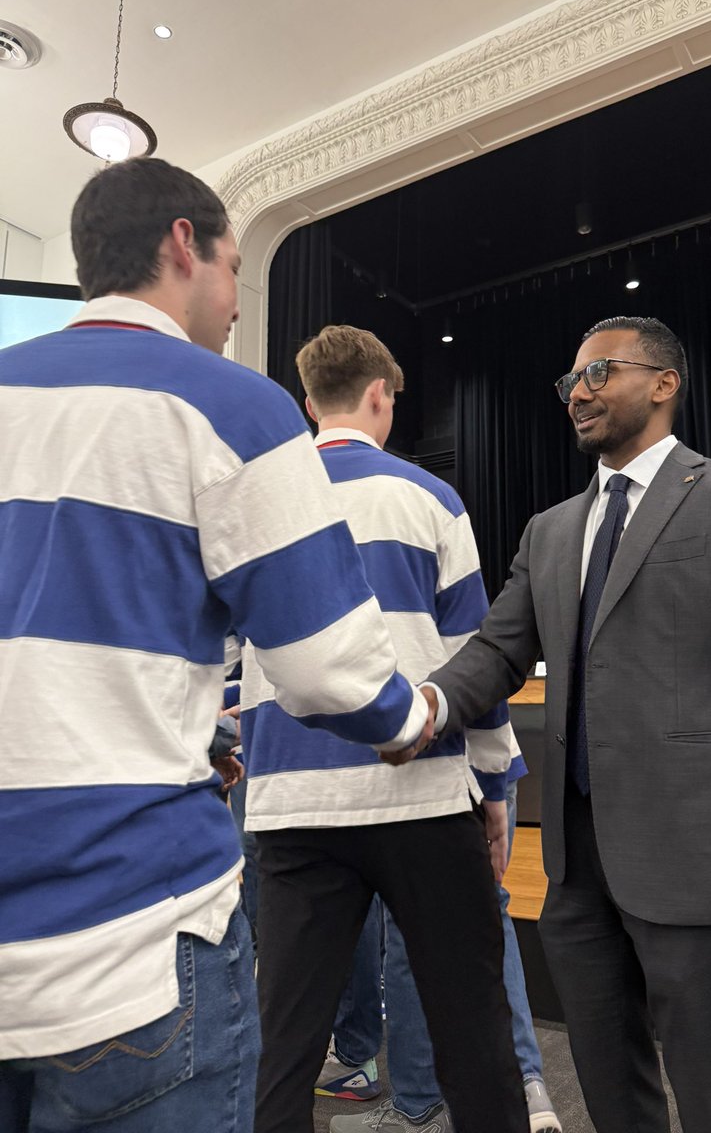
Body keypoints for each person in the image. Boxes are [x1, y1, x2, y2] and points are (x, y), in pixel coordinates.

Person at [0, 160, 431, 1133]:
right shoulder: (234, 406)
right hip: (130, 951)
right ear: (183, 246)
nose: (238, 303)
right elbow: (332, 670)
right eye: (237, 267)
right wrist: (419, 714)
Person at [419, 316, 711, 1133]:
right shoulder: (550, 531)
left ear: (665, 383)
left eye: (599, 375)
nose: (578, 394)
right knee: (611, 1092)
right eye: (570, 384)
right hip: (577, 871)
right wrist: (424, 705)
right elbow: (494, 652)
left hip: (702, 865)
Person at [240, 324, 530, 1133]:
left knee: (286, 1044)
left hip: (292, 805)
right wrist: (497, 786)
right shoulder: (430, 498)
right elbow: (476, 659)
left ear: (308, 403)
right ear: (380, 397)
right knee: (474, 1030)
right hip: (423, 796)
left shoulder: (260, 502)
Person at [322, 769, 562, 1133]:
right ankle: (526, 1084)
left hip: (416, 776)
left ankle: (417, 1109)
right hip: (490, 766)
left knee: (408, 922)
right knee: (488, 910)